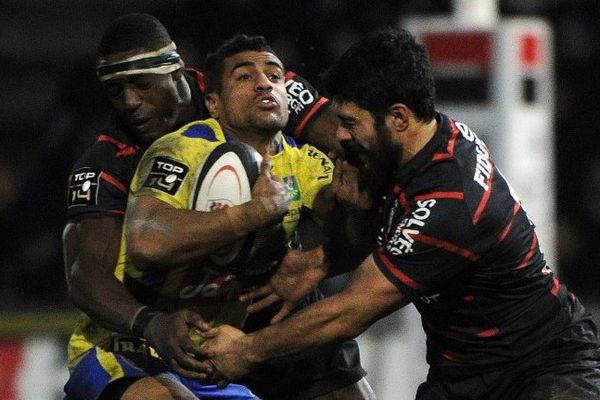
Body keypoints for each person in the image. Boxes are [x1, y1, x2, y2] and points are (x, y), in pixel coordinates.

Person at [197, 28, 600, 400]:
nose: (339, 136)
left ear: (399, 117)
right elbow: (385, 233)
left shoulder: (451, 201)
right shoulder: (410, 145)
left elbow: (347, 313)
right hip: (461, 374)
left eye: (350, 123)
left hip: (546, 367)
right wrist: (319, 262)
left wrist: (247, 351)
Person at [62, 13, 363, 400]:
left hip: (261, 293)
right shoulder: (108, 161)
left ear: (176, 72)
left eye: (140, 85)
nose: (130, 102)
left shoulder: (250, 86)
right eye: (115, 91)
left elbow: (347, 144)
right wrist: (149, 324)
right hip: (160, 325)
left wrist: (320, 260)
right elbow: (87, 273)